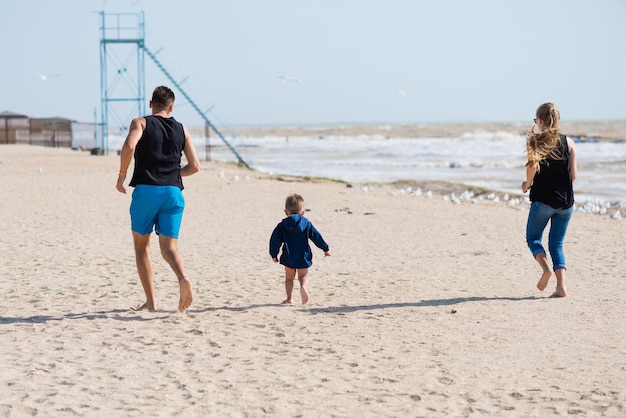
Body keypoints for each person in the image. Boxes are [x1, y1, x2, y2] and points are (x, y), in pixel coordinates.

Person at [116, 85, 200, 312]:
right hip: (173, 193)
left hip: (146, 191)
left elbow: (130, 145)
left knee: (142, 246)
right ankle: (183, 278)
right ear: (171, 107)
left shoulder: (141, 122)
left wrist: (122, 175)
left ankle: (151, 303)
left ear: (151, 104)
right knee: (169, 248)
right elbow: (195, 166)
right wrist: (172, 173)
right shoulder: (182, 128)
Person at [521, 102, 577, 298]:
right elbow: (573, 175)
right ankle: (561, 287)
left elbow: (531, 167)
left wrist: (527, 184)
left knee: (533, 238)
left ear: (541, 121)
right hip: (566, 202)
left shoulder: (536, 141)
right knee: (557, 245)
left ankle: (545, 269)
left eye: (536, 120)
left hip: (543, 200)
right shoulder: (569, 142)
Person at [269, 194, 331, 304]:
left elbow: (275, 241)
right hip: (303, 255)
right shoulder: (306, 224)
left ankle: (289, 299)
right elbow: (316, 236)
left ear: (285, 212)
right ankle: (303, 287)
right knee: (303, 276)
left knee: (289, 279)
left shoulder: (282, 226)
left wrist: (274, 254)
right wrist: (325, 248)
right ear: (303, 212)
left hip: (288, 256)